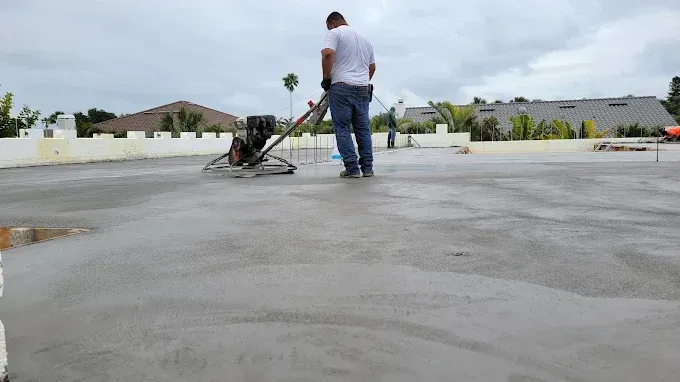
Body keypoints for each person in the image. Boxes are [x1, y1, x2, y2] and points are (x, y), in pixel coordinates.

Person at [321, 11, 376, 178]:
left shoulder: (335, 32)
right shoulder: (365, 39)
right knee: (363, 129)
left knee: (342, 128)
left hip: (341, 88)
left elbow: (328, 53)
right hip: (363, 88)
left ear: (332, 23)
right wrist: (361, 81)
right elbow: (372, 67)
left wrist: (326, 78)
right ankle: (367, 168)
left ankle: (352, 168)